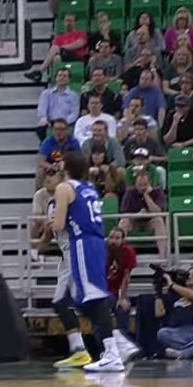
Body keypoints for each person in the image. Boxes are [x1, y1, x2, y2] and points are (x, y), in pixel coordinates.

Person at [48, 152, 138, 372]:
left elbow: (58, 225)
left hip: (81, 243)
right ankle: (117, 344)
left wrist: (50, 221)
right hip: (97, 242)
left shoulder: (63, 188)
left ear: (66, 167)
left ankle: (113, 353)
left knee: (93, 298)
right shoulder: (88, 187)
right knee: (84, 300)